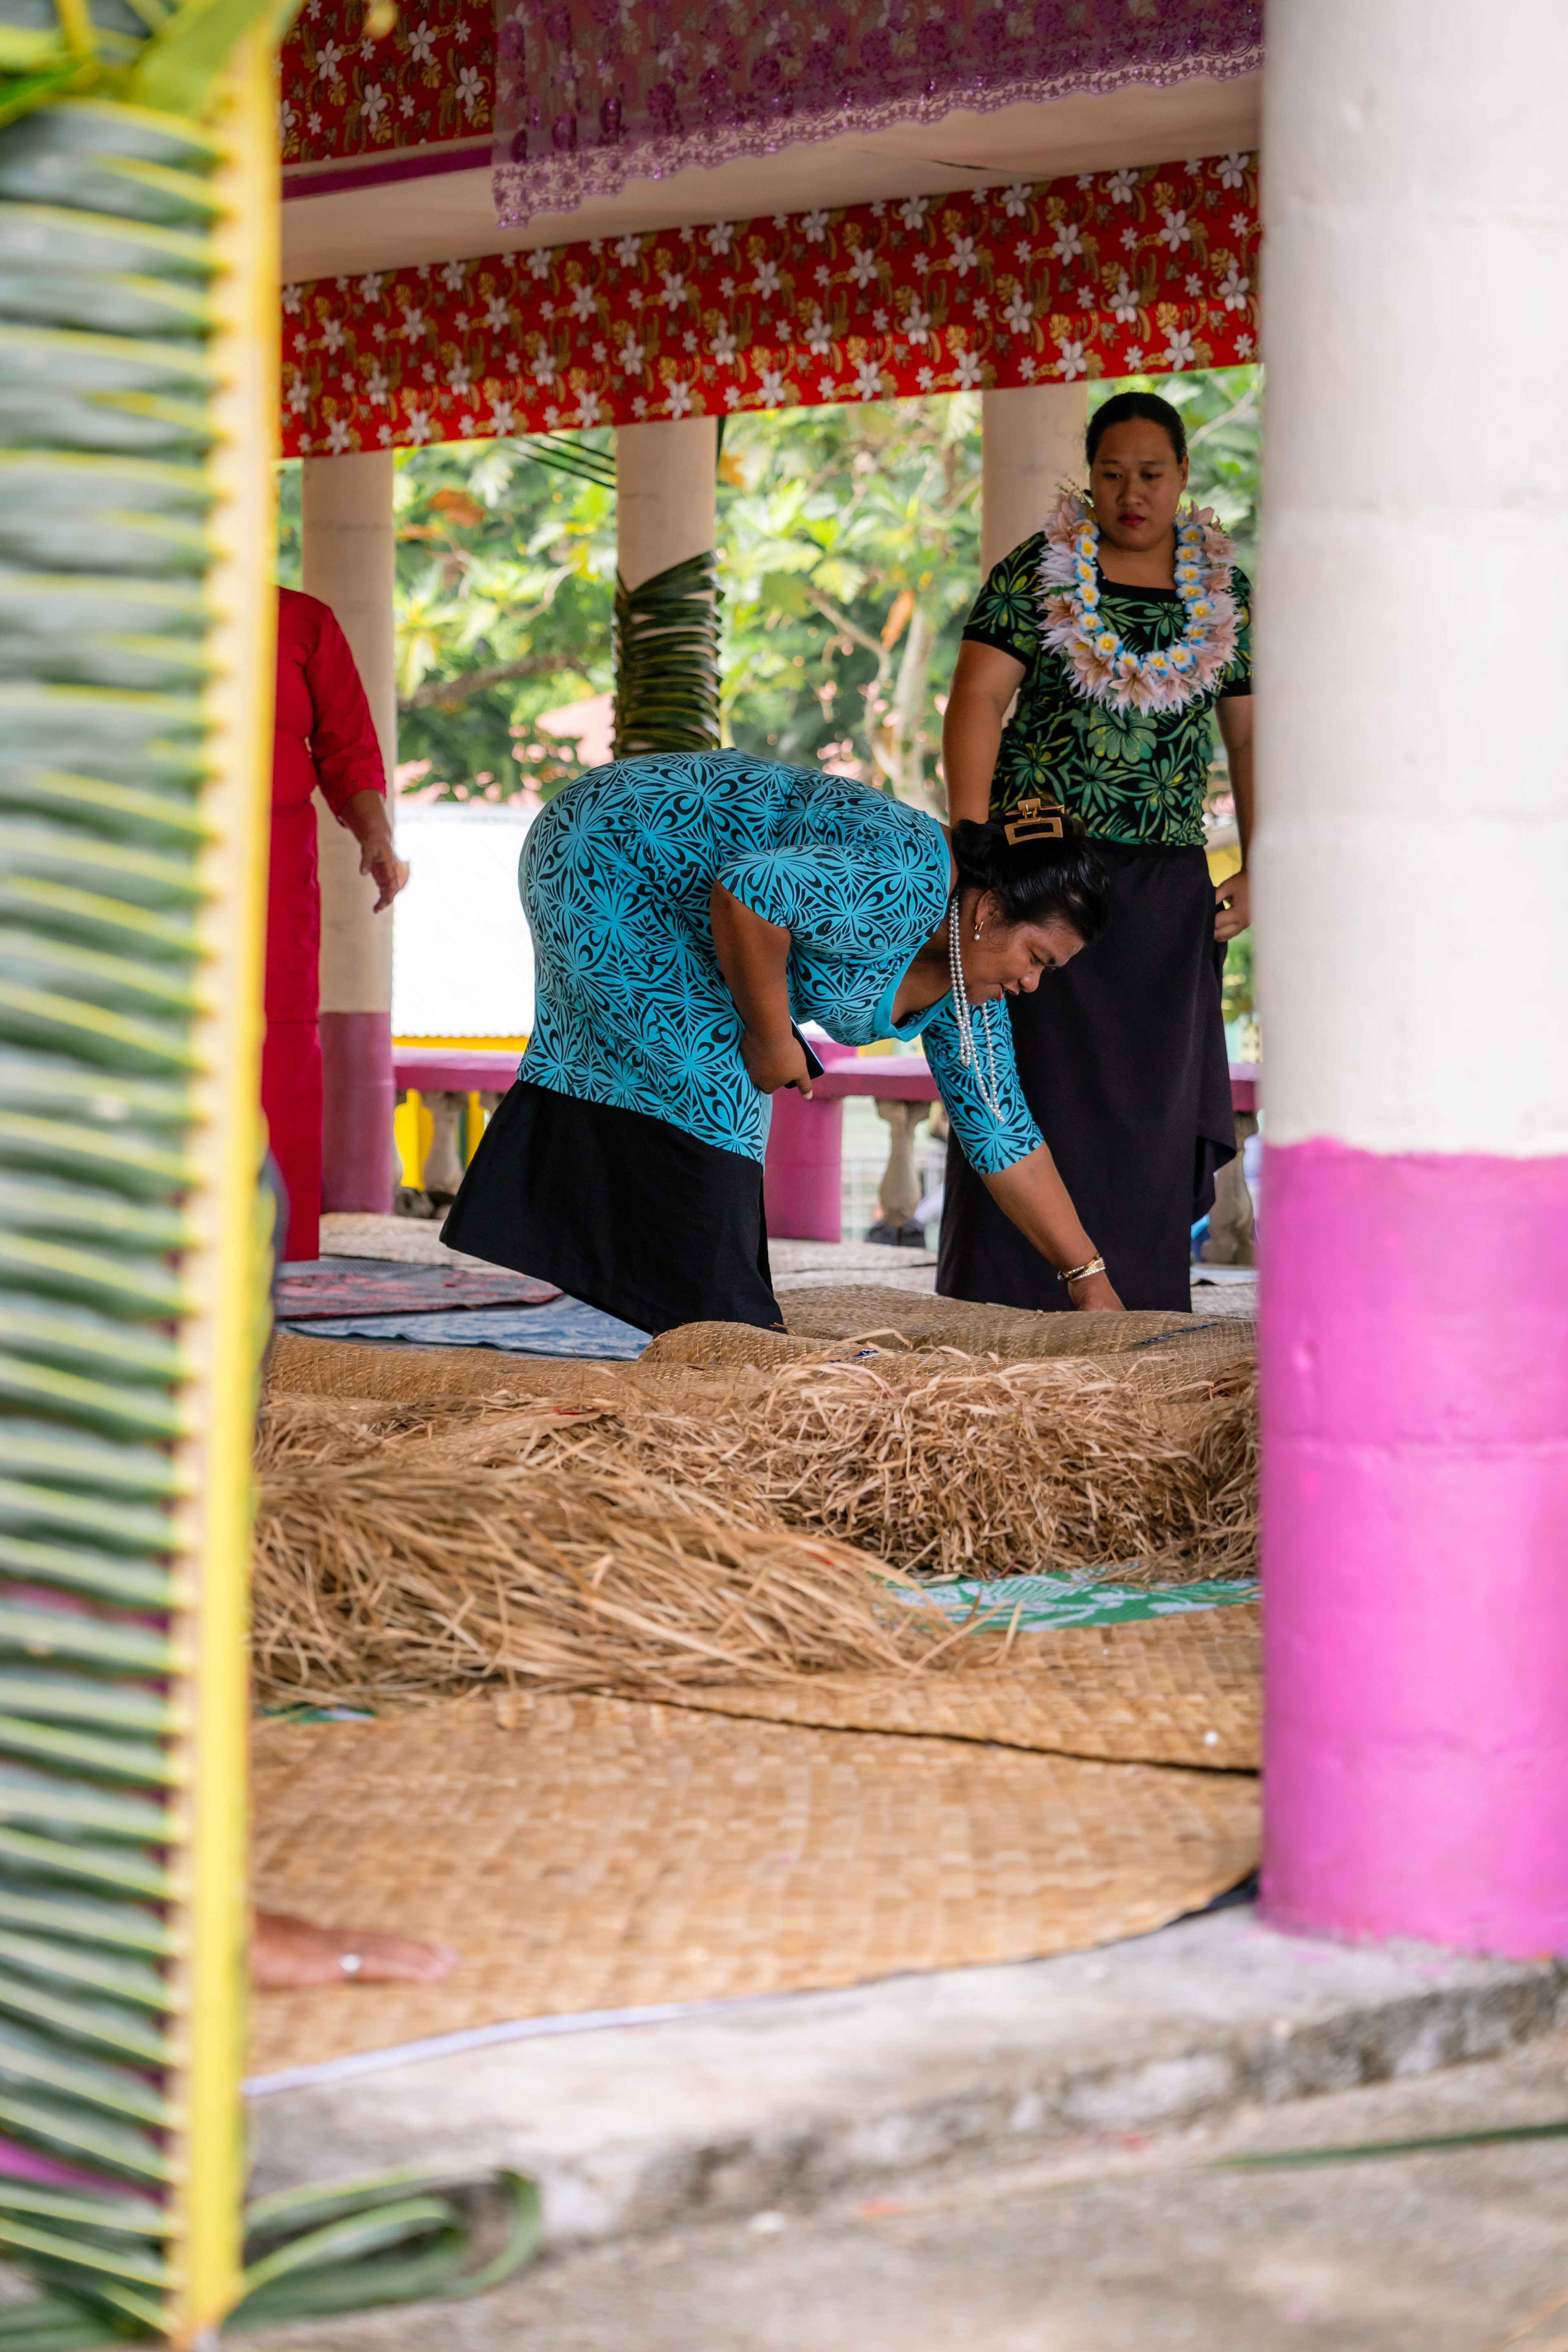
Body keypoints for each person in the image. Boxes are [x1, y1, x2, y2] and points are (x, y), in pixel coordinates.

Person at [443, 751, 1122, 1332]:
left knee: (720, 1086)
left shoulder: (966, 991)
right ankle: (723, 1327)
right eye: (1038, 957)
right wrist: (770, 1037)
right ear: (993, 909)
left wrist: (1088, 1281)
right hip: (614, 849)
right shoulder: (914, 880)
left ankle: (707, 1317)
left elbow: (1003, 1135)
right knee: (725, 1088)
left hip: (669, 886)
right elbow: (749, 895)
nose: (1033, 984)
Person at [939, 391, 1253, 1312]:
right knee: (1020, 1090)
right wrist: (971, 849)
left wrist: (1263, 865)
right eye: (1112, 473)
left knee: (1146, 1122)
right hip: (1040, 877)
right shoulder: (1038, 571)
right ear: (1090, 475)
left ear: (1184, 476)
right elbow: (974, 706)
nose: (1132, 492)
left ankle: (1137, 1312)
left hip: (1165, 893)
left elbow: (1250, 741)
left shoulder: (1225, 594)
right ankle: (1001, 1312)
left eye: (1151, 474)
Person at [267, 586, 408, 1263]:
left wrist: (376, 836)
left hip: (274, 866)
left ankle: (271, 1239)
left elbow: (346, 744)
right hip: (145, 857)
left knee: (278, 1032)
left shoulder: (303, 620)